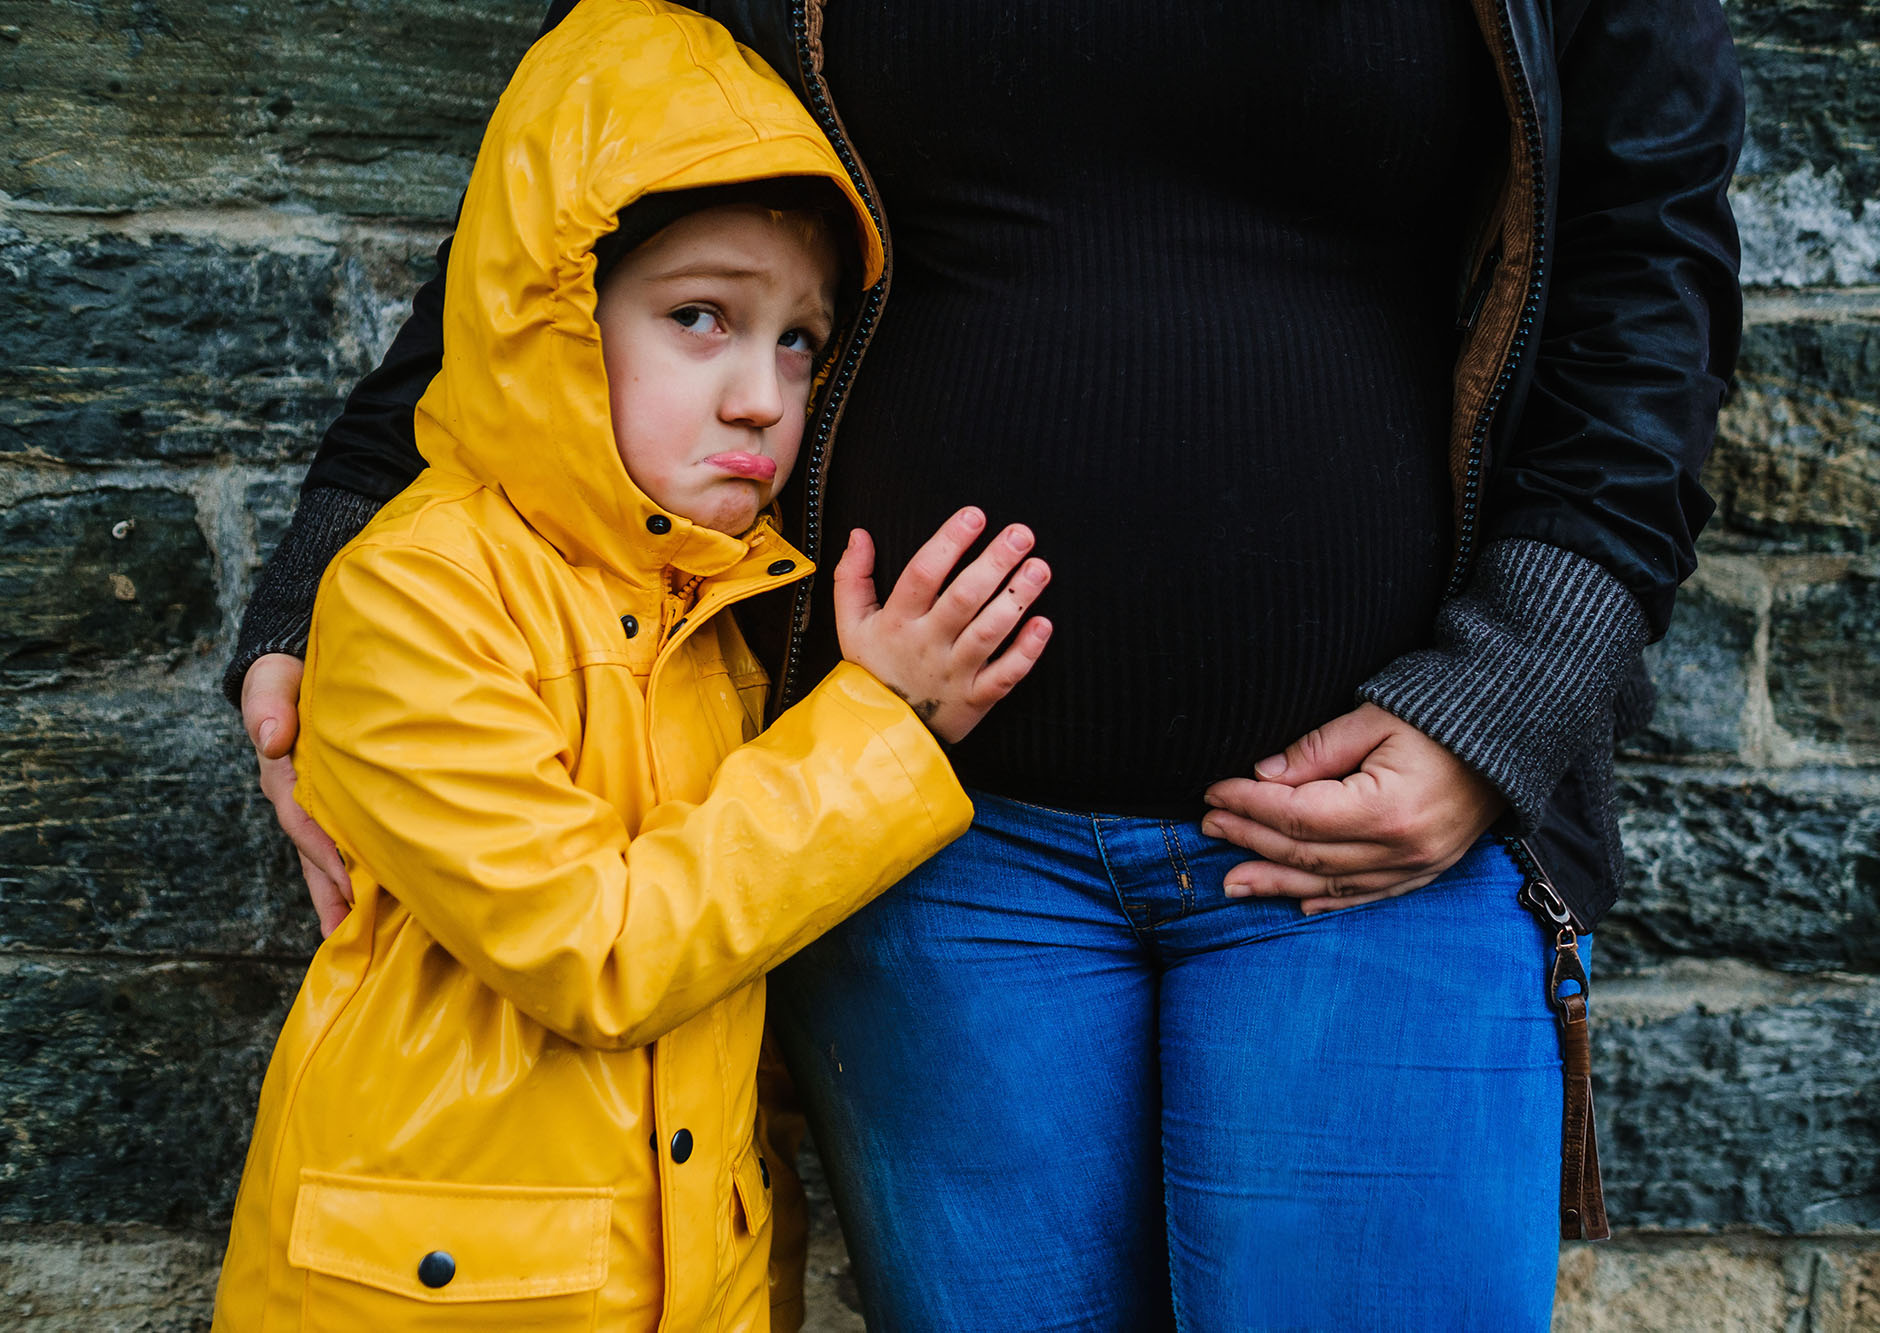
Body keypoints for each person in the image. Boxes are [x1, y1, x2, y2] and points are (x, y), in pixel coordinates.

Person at [228, 0, 1744, 1327]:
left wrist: (1515, 694)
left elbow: (1645, 267)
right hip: (919, 850)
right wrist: (333, 588)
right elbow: (555, 206)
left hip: (1373, 849)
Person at [209, 4, 1053, 1327]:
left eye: (798, 340)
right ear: (546, 313)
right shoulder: (414, 594)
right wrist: (883, 723)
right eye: (701, 317)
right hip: (442, 1295)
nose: (765, 396)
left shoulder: (714, 605)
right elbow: (598, 949)